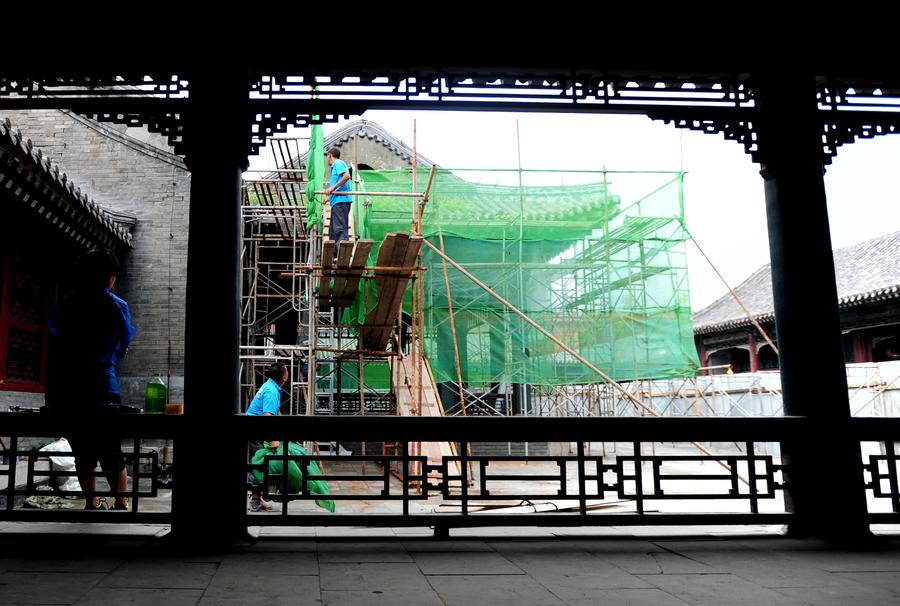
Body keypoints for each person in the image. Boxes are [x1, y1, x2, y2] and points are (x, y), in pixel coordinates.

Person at [45, 249, 136, 511]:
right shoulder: (117, 305)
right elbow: (123, 344)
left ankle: (91, 502)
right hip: (103, 384)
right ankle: (120, 500)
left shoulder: (67, 303)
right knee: (112, 448)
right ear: (110, 277)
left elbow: (56, 338)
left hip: (69, 386)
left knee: (82, 449)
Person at [245, 361, 288, 512]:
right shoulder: (271, 391)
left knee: (257, 464)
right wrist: (273, 438)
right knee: (258, 465)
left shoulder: (270, 386)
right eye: (286, 371)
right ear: (284, 377)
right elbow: (267, 416)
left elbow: (274, 411)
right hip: (256, 432)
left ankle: (258, 498)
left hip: (254, 430)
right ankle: (255, 501)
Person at [323, 147, 352, 249]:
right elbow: (340, 186)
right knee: (332, 231)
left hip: (341, 201)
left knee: (339, 229)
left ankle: (342, 254)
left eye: (327, 156)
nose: (327, 159)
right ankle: (335, 256)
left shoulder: (338, 163)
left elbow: (347, 176)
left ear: (330, 155)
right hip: (337, 201)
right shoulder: (336, 166)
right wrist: (329, 197)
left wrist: (332, 188)